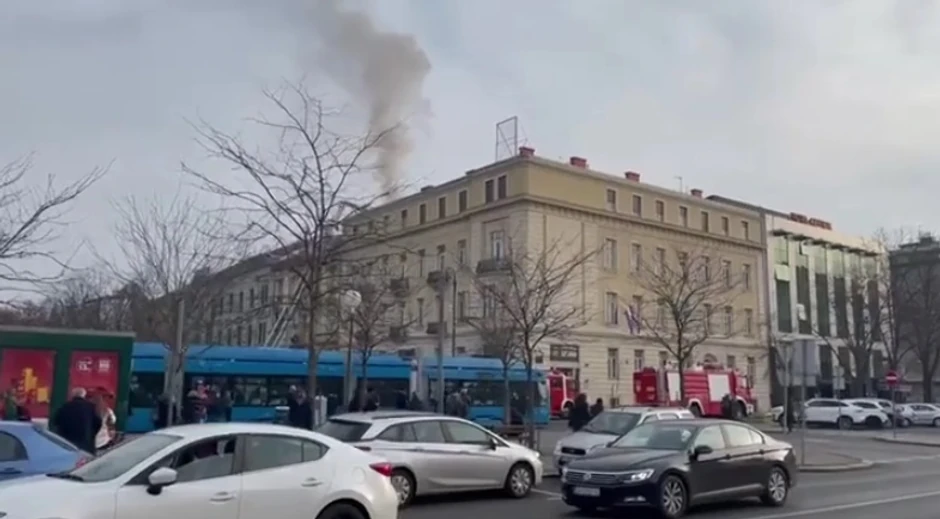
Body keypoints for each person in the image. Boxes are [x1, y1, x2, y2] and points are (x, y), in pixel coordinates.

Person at [52, 387, 102, 454]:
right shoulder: (91, 407)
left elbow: (56, 422)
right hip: (86, 443)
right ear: (84, 395)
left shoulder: (65, 407)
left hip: (68, 442)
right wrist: (91, 434)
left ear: (72, 395)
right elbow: (98, 423)